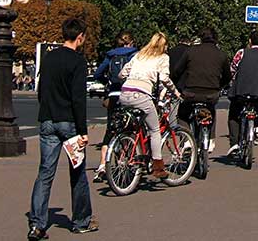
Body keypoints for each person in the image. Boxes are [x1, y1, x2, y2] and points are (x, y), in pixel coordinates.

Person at [28, 17, 98, 239]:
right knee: (77, 173)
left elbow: (42, 89)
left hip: (48, 119)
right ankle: (81, 221)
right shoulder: (78, 61)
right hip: (69, 123)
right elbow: (78, 99)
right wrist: (83, 130)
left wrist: (46, 112)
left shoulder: (49, 58)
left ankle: (37, 225)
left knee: (45, 173)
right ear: (80, 37)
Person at [118, 32, 182, 180]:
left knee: (136, 126)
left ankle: (134, 149)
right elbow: (165, 78)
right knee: (154, 130)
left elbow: (122, 74)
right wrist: (176, 92)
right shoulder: (163, 57)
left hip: (125, 93)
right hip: (141, 95)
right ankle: (158, 167)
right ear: (164, 45)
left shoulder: (139, 55)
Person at [173, 27, 232, 153]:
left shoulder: (191, 51)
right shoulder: (221, 54)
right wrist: (219, 86)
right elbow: (228, 76)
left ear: (200, 38)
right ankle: (210, 139)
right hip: (211, 93)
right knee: (210, 111)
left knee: (183, 115)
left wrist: (179, 86)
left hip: (191, 92)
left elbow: (177, 71)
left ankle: (187, 140)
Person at [92, 30, 138, 182]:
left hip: (113, 94)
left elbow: (97, 74)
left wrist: (108, 84)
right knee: (131, 128)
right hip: (130, 94)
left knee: (110, 129)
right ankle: (127, 159)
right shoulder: (134, 55)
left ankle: (102, 165)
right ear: (131, 42)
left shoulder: (110, 55)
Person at [227, 30, 258, 156]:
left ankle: (234, 143)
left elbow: (232, 68)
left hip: (241, 90)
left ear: (249, 41)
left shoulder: (241, 53)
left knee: (234, 114)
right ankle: (257, 126)